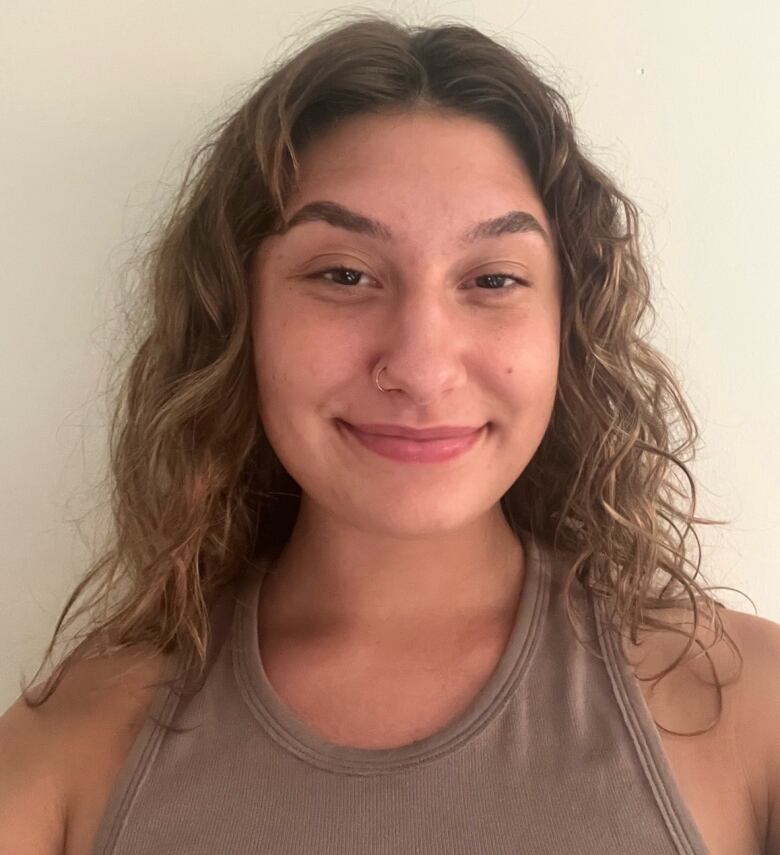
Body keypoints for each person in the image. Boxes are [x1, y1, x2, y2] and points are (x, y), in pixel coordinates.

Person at [1, 12, 777, 855]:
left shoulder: (751, 711)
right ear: (239, 315)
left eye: (492, 278)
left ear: (568, 328)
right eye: (343, 273)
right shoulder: (73, 752)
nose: (420, 365)